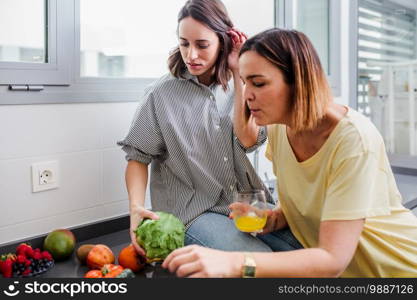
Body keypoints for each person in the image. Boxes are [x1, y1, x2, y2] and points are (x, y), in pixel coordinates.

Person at [162, 28, 417, 277]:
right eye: (244, 82)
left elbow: (332, 259)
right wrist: (274, 218)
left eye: (258, 83)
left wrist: (234, 263)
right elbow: (304, 197)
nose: (247, 95)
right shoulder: (279, 129)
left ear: (298, 81)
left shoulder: (353, 140)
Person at [117, 0, 276, 257]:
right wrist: (135, 208)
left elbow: (249, 142)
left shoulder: (241, 87)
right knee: (261, 263)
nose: (191, 55)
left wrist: (238, 71)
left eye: (202, 45)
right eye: (184, 43)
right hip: (192, 212)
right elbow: (137, 157)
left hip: (242, 204)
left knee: (304, 250)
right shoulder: (160, 94)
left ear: (223, 42)